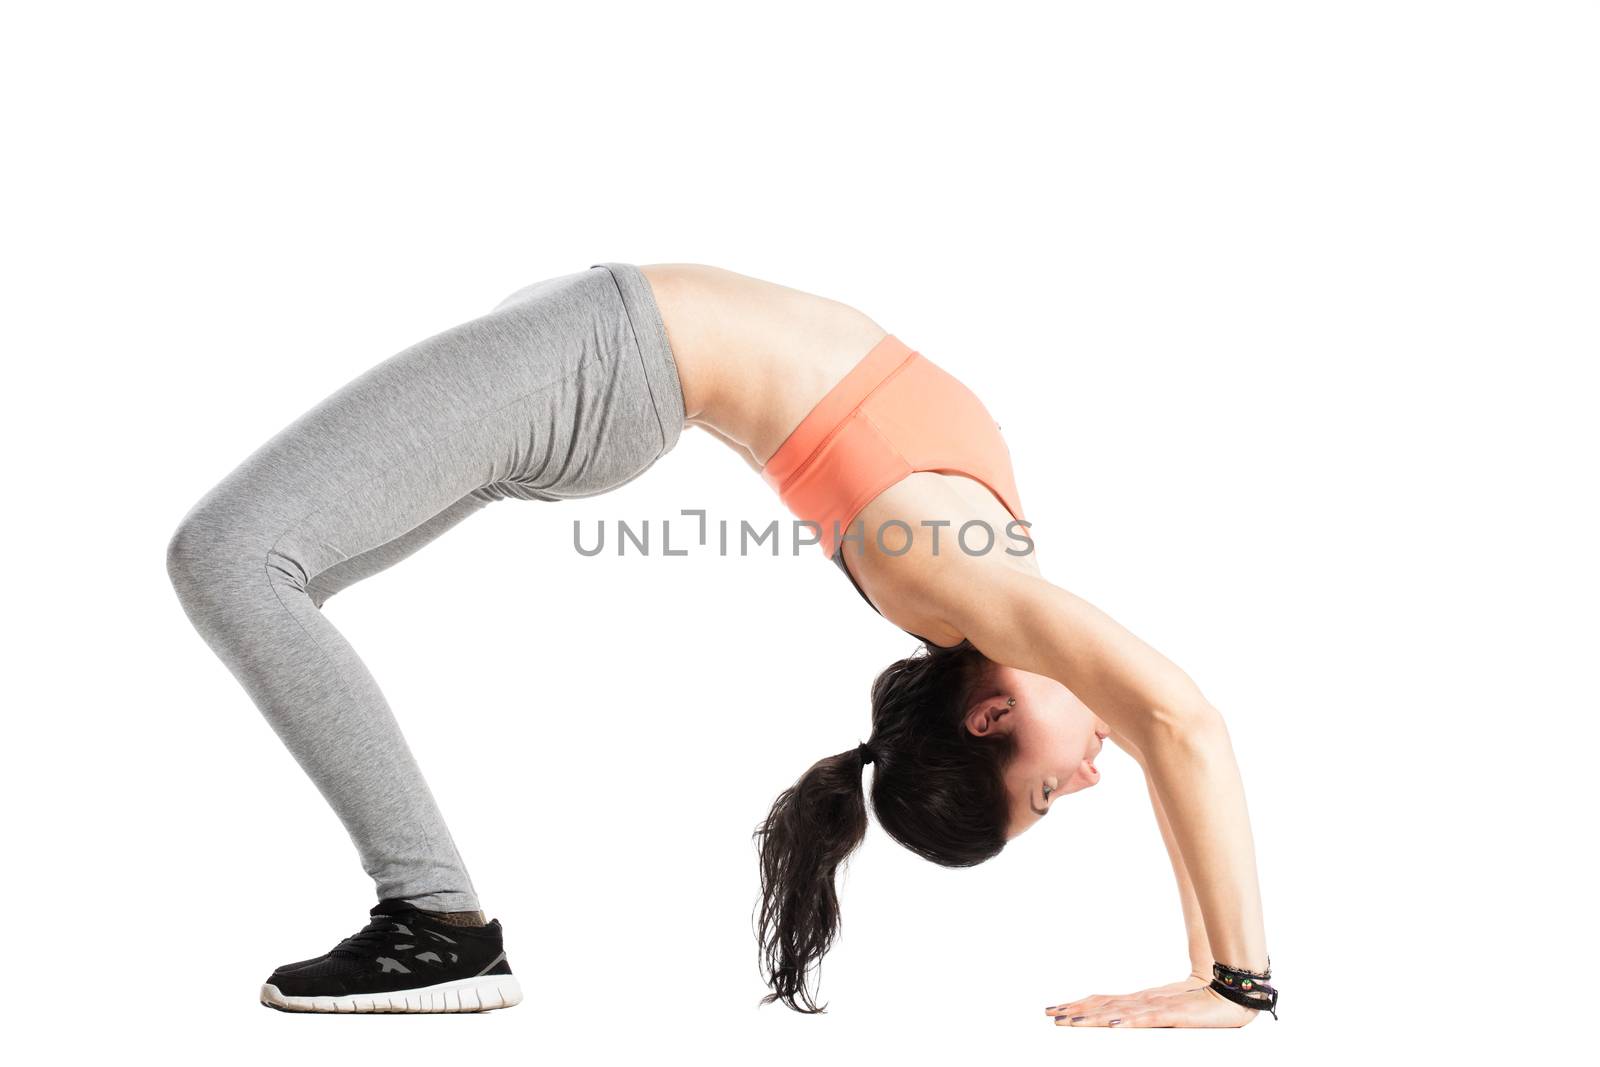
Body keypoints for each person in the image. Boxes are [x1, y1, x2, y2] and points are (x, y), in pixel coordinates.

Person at [167, 262, 1276, 1024]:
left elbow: (1176, 725)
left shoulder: (960, 584)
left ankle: (433, 919)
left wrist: (1230, 980)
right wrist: (1221, 971)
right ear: (993, 714)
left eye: (1051, 791)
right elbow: (1168, 728)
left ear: (987, 715)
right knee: (272, 572)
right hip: (600, 348)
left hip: (604, 357)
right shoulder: (987, 583)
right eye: (1052, 795)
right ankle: (432, 913)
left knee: (232, 560)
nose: (1089, 772)